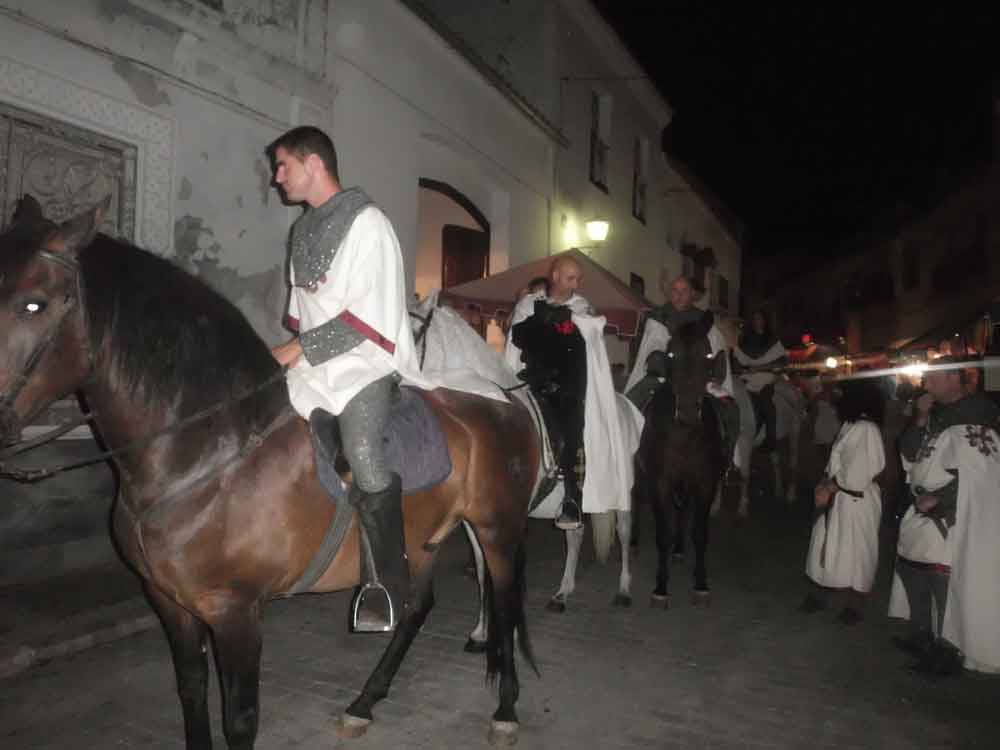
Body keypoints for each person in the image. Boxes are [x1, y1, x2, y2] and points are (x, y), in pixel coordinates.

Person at [268, 126, 420, 633]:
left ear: (314, 163)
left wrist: (296, 348)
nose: (277, 176)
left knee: (363, 451)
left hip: (364, 361)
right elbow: (302, 312)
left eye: (284, 164)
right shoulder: (303, 230)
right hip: (315, 366)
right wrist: (293, 351)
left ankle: (385, 582)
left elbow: (369, 315)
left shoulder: (369, 222)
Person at [889, 356, 1000, 675]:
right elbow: (909, 452)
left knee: (944, 584)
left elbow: (984, 473)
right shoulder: (934, 412)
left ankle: (947, 652)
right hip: (921, 509)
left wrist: (943, 498)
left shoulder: (979, 414)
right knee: (911, 569)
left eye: (933, 377)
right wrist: (920, 417)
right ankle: (921, 636)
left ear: (954, 378)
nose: (926, 383)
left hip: (954, 517)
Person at [506, 256, 595, 530]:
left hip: (568, 387)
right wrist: (544, 320)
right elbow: (517, 339)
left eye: (578, 279)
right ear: (555, 276)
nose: (576, 284)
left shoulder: (581, 307)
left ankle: (571, 499)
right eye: (571, 278)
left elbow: (588, 342)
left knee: (572, 430)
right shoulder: (529, 305)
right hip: (532, 382)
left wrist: (567, 322)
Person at [801, 379, 885, 624]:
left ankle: (854, 606)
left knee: (856, 552)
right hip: (839, 496)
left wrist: (832, 486)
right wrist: (825, 482)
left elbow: (858, 474)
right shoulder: (851, 424)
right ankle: (823, 592)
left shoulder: (866, 429)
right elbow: (838, 462)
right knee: (826, 545)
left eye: (841, 394)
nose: (836, 398)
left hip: (855, 500)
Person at [733, 310, 787, 451]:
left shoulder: (773, 341)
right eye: (755, 319)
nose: (758, 322)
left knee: (766, 405)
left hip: (765, 379)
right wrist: (741, 368)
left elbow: (781, 364)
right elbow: (736, 361)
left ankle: (770, 440)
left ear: (765, 321)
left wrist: (759, 367)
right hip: (746, 379)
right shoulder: (744, 340)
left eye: (760, 319)